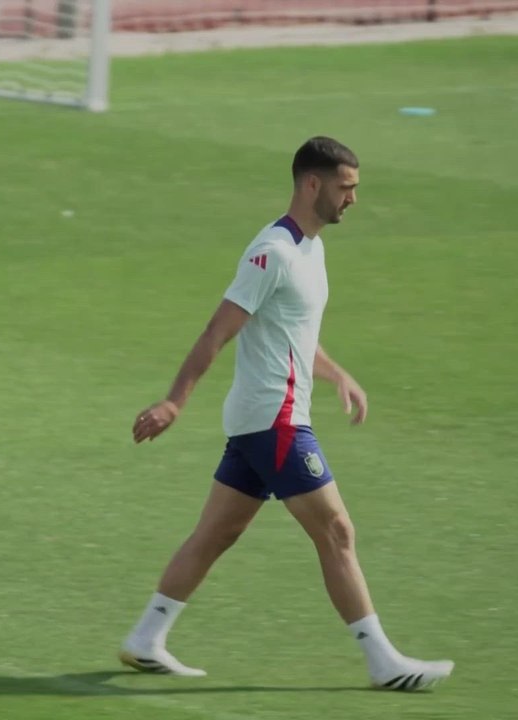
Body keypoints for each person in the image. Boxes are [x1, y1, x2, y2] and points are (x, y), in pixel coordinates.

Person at [121, 137, 454, 693]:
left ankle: (145, 637)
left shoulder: (311, 249)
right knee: (337, 530)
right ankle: (382, 662)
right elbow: (218, 330)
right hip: (274, 422)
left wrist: (337, 373)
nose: (353, 199)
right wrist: (174, 400)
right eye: (346, 188)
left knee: (217, 532)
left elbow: (289, 333)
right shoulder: (272, 251)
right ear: (312, 184)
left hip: (264, 419)